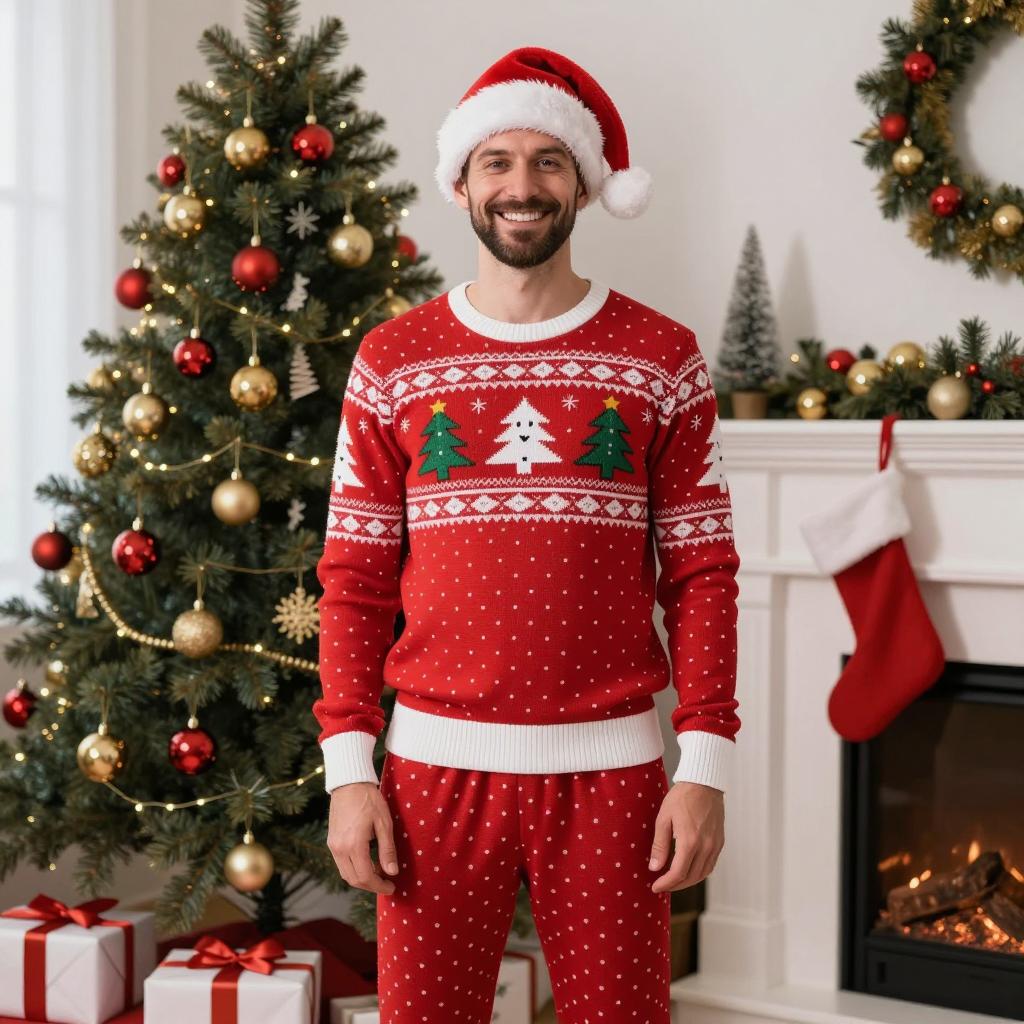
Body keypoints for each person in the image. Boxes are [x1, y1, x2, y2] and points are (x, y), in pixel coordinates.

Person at [315, 46, 742, 1023]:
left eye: (548, 161)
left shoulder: (659, 355)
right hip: (428, 775)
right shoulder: (391, 360)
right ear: (461, 182)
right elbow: (354, 578)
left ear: (585, 186)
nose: (521, 185)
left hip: (613, 777)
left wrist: (705, 763)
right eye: (496, 161)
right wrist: (349, 770)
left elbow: (704, 574)